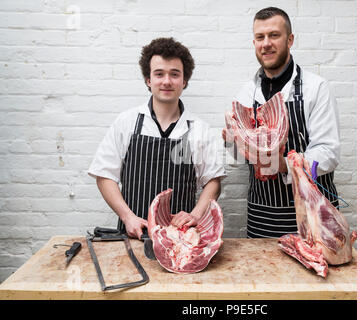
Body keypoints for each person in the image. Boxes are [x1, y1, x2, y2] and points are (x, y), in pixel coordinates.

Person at [88, 37, 226, 240]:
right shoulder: (126, 122)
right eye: (159, 74)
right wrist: (128, 218)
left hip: (181, 240)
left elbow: (213, 181)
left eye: (175, 74)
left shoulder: (199, 129)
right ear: (148, 80)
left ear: (184, 81)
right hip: (134, 235)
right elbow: (104, 175)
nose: (167, 81)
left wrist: (195, 215)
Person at [223, 7, 340, 238]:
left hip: (313, 212)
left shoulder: (315, 88)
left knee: (315, 272)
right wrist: (232, 143)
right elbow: (240, 159)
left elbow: (329, 153)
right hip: (262, 214)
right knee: (265, 273)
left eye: (274, 35)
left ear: (290, 39)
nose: (266, 43)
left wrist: (284, 164)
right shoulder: (246, 93)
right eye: (260, 37)